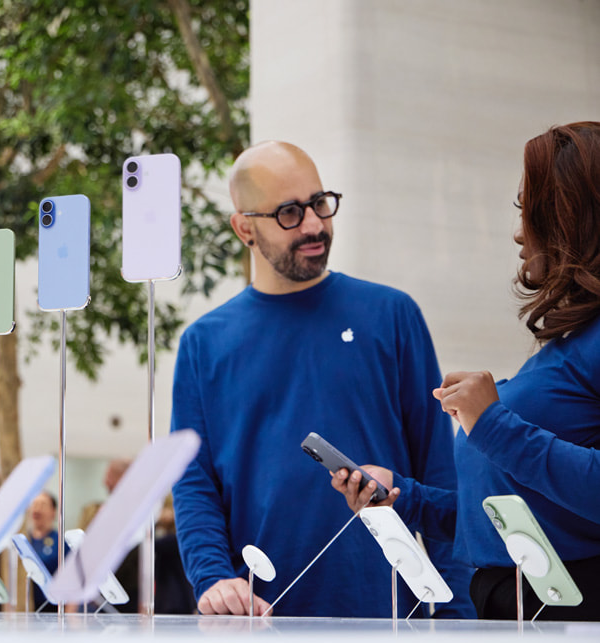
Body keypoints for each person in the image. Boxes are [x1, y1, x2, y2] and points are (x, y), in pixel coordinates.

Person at [171, 140, 474, 618]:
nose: (314, 224)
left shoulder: (392, 315)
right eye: (289, 212)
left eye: (319, 203)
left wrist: (459, 616)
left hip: (387, 617)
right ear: (244, 227)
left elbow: (438, 472)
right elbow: (194, 483)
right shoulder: (203, 344)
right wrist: (212, 577)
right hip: (254, 619)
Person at [332, 122, 600, 621]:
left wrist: (493, 423)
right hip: (519, 616)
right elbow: (508, 523)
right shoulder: (567, 346)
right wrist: (402, 499)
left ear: (574, 216)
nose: (519, 232)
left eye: (529, 210)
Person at [26, 491, 60, 612]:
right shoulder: (24, 541)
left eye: (43, 505)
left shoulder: (60, 542)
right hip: (25, 607)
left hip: (52, 608)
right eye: (34, 504)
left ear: (53, 512)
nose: (37, 509)